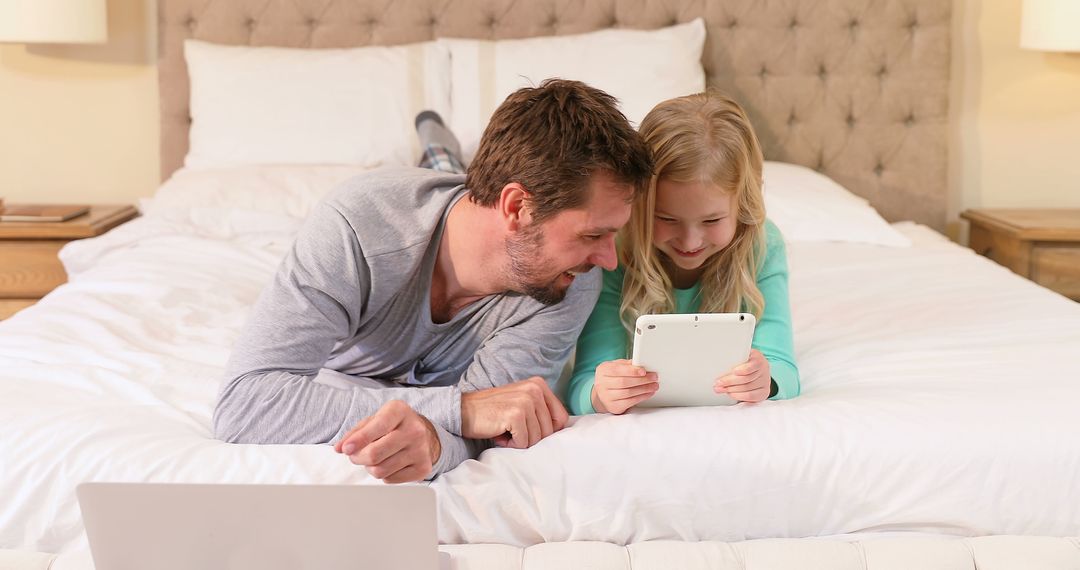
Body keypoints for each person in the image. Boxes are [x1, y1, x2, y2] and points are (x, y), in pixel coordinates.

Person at [213, 79, 654, 483]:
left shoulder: (570, 283)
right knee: (440, 169)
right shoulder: (356, 226)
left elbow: (494, 423)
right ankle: (435, 144)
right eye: (593, 234)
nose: (610, 260)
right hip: (417, 209)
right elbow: (245, 404)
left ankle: (440, 152)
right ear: (518, 207)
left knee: (449, 171)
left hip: (471, 208)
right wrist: (457, 408)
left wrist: (437, 444)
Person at [566, 91, 800, 416]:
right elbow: (584, 383)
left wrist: (766, 380)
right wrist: (600, 395)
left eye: (712, 220)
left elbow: (785, 371)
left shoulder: (762, 243)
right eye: (666, 219)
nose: (690, 241)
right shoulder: (614, 250)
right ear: (641, 206)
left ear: (742, 206)